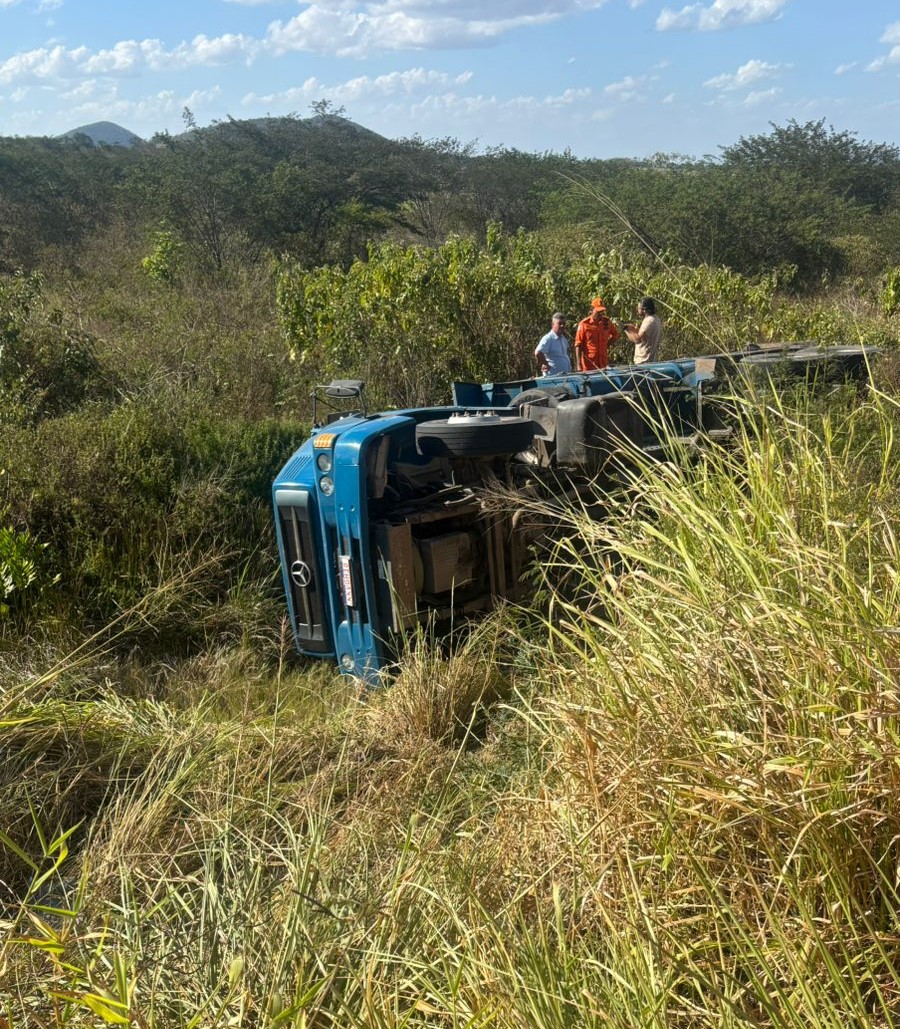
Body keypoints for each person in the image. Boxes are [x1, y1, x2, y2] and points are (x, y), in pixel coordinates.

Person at [574, 297, 619, 371]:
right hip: (589, 365)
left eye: (602, 311)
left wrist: (606, 345)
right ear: (592, 310)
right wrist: (579, 365)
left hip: (603, 363)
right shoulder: (584, 324)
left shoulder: (606, 322)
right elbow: (578, 345)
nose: (600, 314)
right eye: (598, 311)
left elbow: (615, 335)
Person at [623, 297, 662, 364]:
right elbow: (645, 336)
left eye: (638, 308)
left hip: (643, 361)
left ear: (644, 309)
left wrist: (625, 329)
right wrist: (633, 329)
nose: (637, 310)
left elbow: (637, 340)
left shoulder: (649, 321)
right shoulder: (655, 318)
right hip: (649, 360)